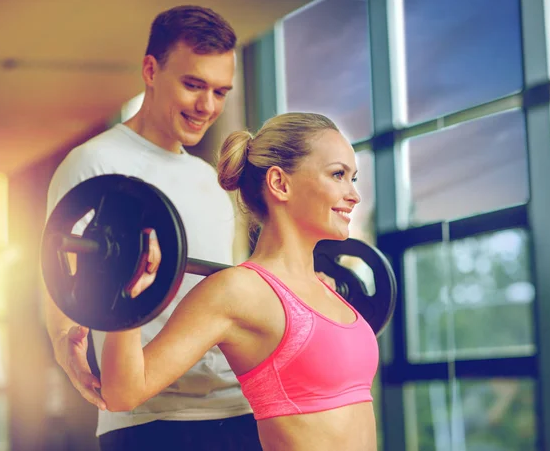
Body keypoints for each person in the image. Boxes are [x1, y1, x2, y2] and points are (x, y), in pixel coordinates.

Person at [44, 5, 264, 450]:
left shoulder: (208, 180)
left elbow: (231, 291)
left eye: (221, 92)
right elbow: (57, 274)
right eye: (193, 85)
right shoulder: (95, 163)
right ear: (150, 70)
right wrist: (64, 340)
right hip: (147, 417)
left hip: (236, 411)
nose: (208, 106)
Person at [100, 112, 380, 451]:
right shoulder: (237, 292)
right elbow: (123, 392)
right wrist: (124, 288)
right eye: (338, 175)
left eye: (353, 178)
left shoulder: (326, 289)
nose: (354, 195)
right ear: (280, 183)